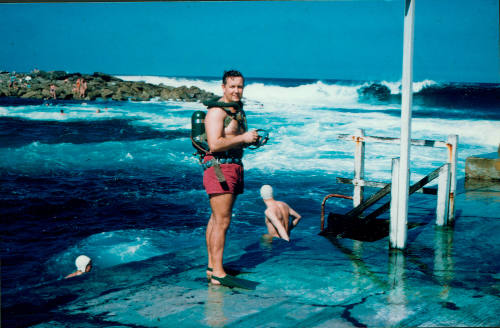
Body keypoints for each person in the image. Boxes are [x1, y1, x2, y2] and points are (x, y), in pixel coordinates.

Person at [204, 70, 259, 286]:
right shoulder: (217, 112)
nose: (236, 91)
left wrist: (247, 140)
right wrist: (243, 137)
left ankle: (212, 267)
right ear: (223, 87)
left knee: (216, 219)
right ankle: (218, 272)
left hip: (231, 167)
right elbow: (214, 144)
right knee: (222, 221)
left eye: (240, 87)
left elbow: (231, 138)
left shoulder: (235, 110)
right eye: (232, 86)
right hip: (219, 168)